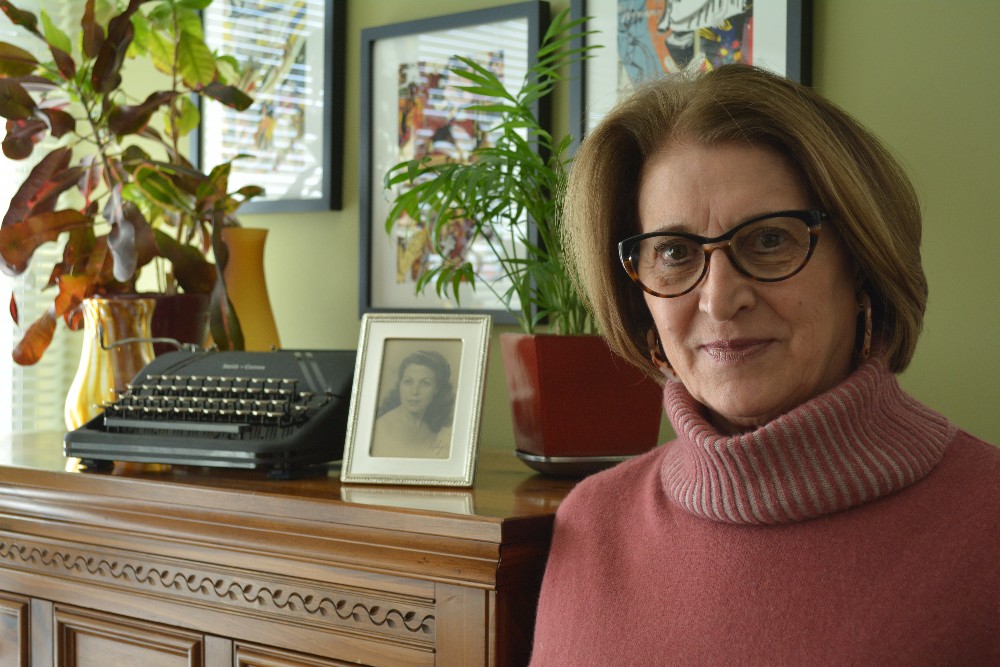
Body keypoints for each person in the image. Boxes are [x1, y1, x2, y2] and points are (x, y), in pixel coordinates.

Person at [530, 64, 1000, 665]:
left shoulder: (986, 525)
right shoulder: (593, 522)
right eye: (674, 252)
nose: (721, 298)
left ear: (861, 262)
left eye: (770, 240)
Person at [371, 350, 454, 458]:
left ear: (436, 389)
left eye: (425, 383)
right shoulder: (382, 429)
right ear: (400, 384)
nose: (414, 391)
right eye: (408, 381)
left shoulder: (433, 429)